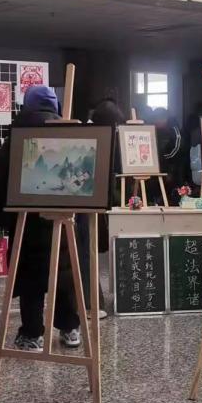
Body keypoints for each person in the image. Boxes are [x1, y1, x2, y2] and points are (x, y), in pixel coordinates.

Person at [0, 85, 81, 351]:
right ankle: (70, 329)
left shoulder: (17, 135)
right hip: (62, 219)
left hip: (25, 222)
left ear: (27, 104)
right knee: (63, 274)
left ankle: (32, 334)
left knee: (30, 280)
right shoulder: (67, 133)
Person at [75, 97, 125, 318]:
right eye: (115, 125)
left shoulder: (92, 135)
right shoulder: (92, 139)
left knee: (87, 254)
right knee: (85, 254)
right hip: (84, 206)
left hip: (88, 204)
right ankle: (89, 305)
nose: (117, 130)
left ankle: (92, 303)